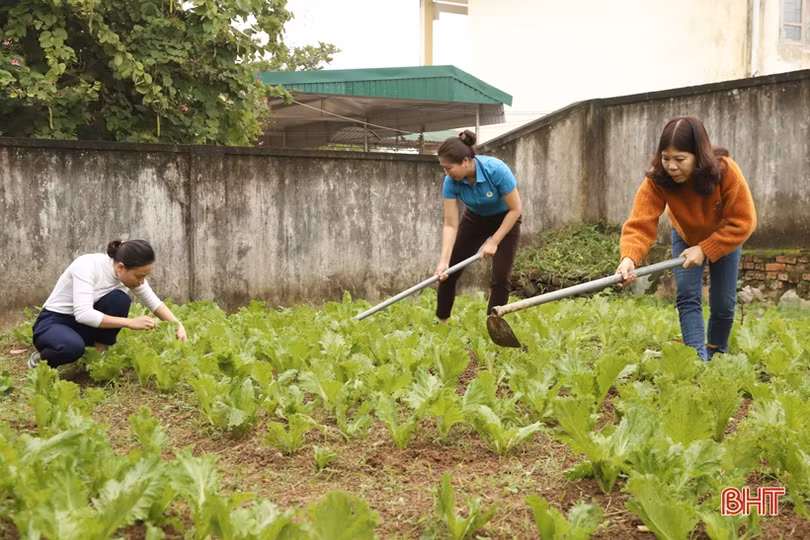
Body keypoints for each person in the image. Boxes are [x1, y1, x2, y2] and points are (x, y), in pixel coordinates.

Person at [617, 116, 756, 361]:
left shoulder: (725, 172)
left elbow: (744, 221)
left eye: (680, 159)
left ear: (698, 155)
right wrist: (629, 257)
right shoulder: (658, 179)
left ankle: (717, 354)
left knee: (723, 303)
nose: (671, 166)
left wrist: (705, 249)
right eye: (665, 158)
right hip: (685, 236)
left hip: (724, 237)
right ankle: (697, 361)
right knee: (688, 296)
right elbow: (641, 221)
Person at [29, 239, 187, 368]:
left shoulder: (128, 275)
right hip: (53, 323)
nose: (142, 281)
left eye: (145, 276)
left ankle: (97, 359)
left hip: (83, 326)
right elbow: (83, 314)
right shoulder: (87, 265)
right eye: (139, 276)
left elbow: (153, 302)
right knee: (71, 348)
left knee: (119, 299)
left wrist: (178, 325)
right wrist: (130, 322)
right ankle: (40, 358)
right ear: (120, 267)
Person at [434, 130, 523, 321]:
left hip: (506, 220)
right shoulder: (451, 182)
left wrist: (494, 241)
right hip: (475, 219)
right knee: (449, 272)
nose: (446, 173)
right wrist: (443, 261)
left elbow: (515, 210)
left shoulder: (497, 170)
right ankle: (441, 324)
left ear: (465, 161)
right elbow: (450, 224)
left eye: (448, 168)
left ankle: (494, 326)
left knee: (500, 278)